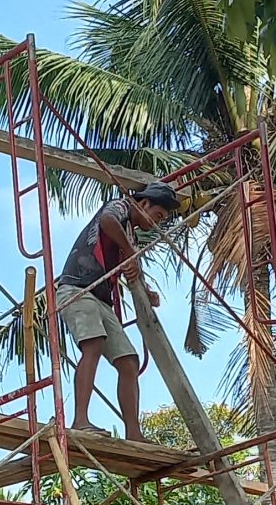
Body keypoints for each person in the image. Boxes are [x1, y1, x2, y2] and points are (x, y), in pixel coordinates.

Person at [52, 183, 180, 439]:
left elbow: (128, 266)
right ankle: (80, 420)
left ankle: (134, 431)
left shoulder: (129, 235)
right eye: (157, 216)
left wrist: (145, 288)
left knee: (129, 361)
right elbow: (108, 220)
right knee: (94, 344)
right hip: (78, 289)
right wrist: (131, 253)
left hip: (101, 299)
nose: (157, 224)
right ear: (144, 204)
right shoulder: (120, 207)